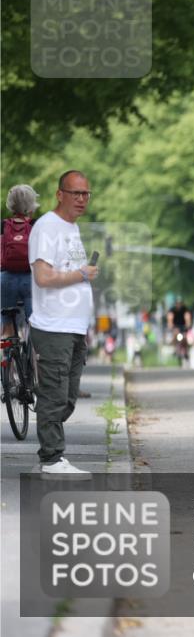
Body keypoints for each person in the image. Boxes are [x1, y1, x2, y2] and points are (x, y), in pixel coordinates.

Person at [28, 170, 99, 478]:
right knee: (53, 395)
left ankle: (52, 453)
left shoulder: (72, 229)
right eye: (75, 193)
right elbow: (43, 277)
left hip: (74, 327)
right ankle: (52, 458)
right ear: (60, 194)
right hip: (53, 326)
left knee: (67, 398)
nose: (81, 199)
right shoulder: (47, 228)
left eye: (86, 194)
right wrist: (82, 274)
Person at [1, 184, 40, 339]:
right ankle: (35, 360)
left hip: (5, 280)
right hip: (31, 280)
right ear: (31, 206)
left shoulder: (2, 225)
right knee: (36, 328)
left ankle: (7, 359)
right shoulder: (37, 225)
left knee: (7, 330)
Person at [167, 296, 192, 366]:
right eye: (177, 303)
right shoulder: (172, 310)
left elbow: (187, 318)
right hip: (176, 327)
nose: (179, 305)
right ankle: (175, 348)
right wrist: (171, 326)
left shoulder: (185, 309)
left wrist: (188, 325)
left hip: (183, 327)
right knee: (175, 335)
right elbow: (170, 319)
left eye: (180, 303)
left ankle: (186, 351)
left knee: (185, 338)